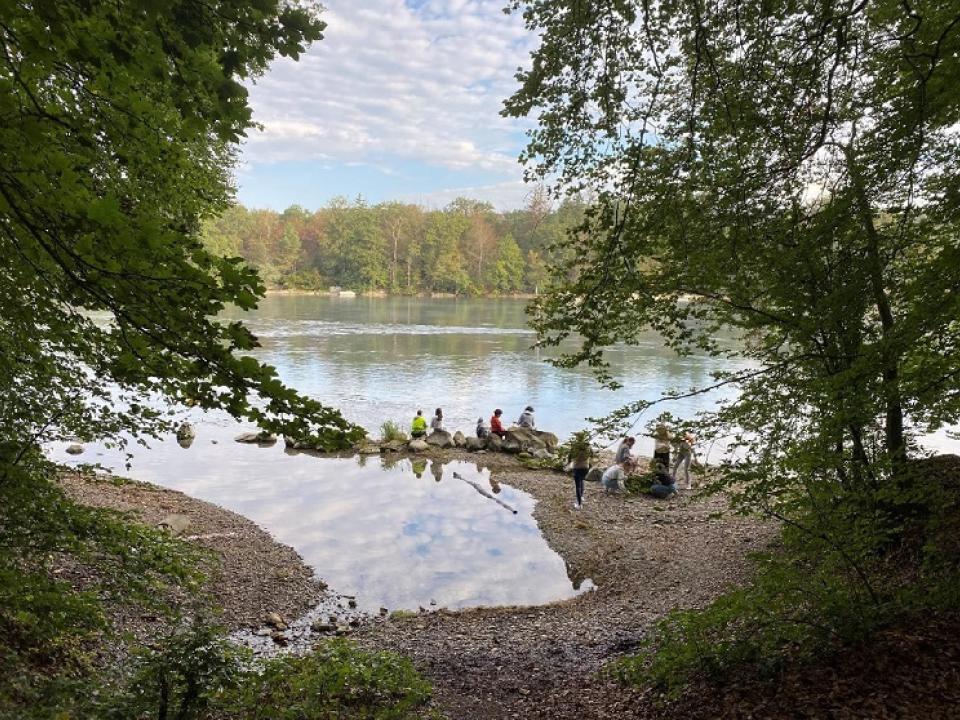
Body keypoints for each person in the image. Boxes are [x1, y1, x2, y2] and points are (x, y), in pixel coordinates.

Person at [568, 431, 592, 510]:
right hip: (585, 467)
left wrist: (568, 463)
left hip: (577, 467)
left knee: (577, 485)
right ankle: (581, 497)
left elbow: (570, 456)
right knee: (582, 480)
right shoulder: (587, 445)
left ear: (577, 437)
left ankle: (579, 504)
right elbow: (592, 455)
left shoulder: (575, 446)